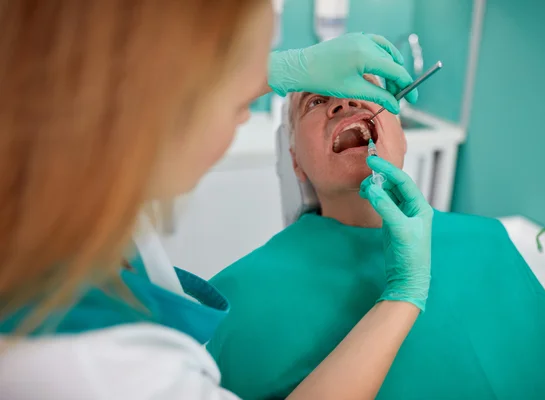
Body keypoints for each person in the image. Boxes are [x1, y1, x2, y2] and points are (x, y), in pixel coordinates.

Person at [0, 1, 431, 399]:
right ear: (294, 160)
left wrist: (270, 70)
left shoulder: (54, 181)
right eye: (236, 97)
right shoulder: (99, 370)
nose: (246, 110)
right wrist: (403, 296)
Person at [206, 83, 545, 399]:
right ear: (295, 161)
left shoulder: (489, 241)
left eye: (366, 86)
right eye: (317, 99)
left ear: (402, 135)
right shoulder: (235, 298)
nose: (344, 101)